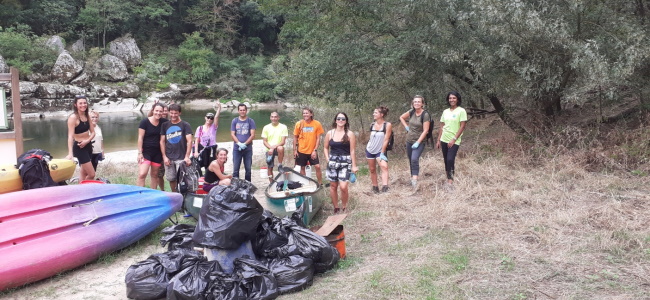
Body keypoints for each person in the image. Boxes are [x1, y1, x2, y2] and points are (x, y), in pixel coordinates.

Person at [324, 112, 358, 213]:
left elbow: (352, 151)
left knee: (343, 187)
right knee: (333, 186)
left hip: (345, 162)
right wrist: (328, 159)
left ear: (346, 121)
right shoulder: (330, 133)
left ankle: (344, 206)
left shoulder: (350, 134)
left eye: (343, 119)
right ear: (335, 120)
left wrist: (354, 166)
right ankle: (336, 207)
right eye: (339, 118)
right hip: (333, 162)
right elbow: (325, 148)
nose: (340, 120)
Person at [399, 95, 432, 187]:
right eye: (415, 102)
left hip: (419, 141)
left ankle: (414, 180)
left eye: (418, 102)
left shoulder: (425, 115)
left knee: (414, 158)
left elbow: (426, 130)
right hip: (409, 140)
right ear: (412, 103)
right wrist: (406, 126)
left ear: (422, 104)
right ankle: (412, 177)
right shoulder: (412, 111)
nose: (416, 103)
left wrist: (418, 142)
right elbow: (401, 117)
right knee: (411, 160)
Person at [436, 91, 467, 185]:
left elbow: (462, 126)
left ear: (457, 99)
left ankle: (450, 180)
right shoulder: (445, 111)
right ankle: (448, 175)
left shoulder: (461, 111)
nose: (452, 100)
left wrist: (454, 139)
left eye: (454, 98)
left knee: (450, 159)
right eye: (450, 98)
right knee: (446, 159)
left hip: (454, 140)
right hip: (444, 139)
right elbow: (442, 126)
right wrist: (438, 140)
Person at [160, 103, 193, 192]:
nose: (173, 115)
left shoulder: (185, 125)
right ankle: (174, 194)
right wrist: (164, 157)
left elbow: (190, 141)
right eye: (171, 113)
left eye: (175, 113)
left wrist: (187, 156)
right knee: (171, 178)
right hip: (169, 157)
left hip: (181, 157)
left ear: (179, 113)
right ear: (169, 113)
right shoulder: (165, 125)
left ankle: (183, 195)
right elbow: (162, 141)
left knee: (182, 179)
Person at [137, 102, 168, 188]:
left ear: (163, 112)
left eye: (160, 111)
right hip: (146, 152)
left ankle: (152, 194)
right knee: (142, 174)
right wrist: (139, 153)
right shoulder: (144, 122)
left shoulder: (164, 122)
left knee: (154, 175)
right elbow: (140, 138)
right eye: (156, 111)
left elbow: (175, 121)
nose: (158, 113)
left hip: (157, 153)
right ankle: (139, 194)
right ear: (152, 110)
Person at [65, 95, 96, 181]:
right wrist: (70, 153)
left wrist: (87, 141)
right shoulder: (73, 118)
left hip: (88, 146)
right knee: (91, 174)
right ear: (75, 105)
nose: (83, 105)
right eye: (80, 103)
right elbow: (70, 136)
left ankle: (81, 190)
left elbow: (93, 132)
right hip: (79, 148)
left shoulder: (87, 116)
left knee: (84, 173)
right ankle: (85, 189)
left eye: (85, 103)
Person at [293, 107, 324, 185]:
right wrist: (295, 150)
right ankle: (305, 184)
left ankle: (320, 184)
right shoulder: (299, 124)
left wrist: (315, 150)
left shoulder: (317, 124)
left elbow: (318, 138)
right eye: (304, 113)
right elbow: (295, 137)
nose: (305, 114)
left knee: (317, 166)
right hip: (301, 150)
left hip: (312, 151)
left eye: (307, 113)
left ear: (311, 114)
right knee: (302, 167)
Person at [366, 106, 392, 193]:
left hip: (380, 151)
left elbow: (386, 139)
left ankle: (385, 187)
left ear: (381, 114)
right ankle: (375, 187)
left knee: (384, 167)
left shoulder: (387, 125)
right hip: (370, 150)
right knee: (372, 169)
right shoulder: (372, 125)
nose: (374, 114)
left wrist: (382, 152)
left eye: (376, 113)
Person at [230, 103, 256, 182]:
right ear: (238, 111)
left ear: (246, 110)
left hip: (248, 149)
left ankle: (247, 186)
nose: (242, 111)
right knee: (235, 169)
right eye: (240, 110)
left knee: (248, 169)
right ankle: (236, 186)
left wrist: (245, 144)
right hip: (236, 149)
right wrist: (238, 143)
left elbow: (252, 135)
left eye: (244, 110)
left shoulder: (250, 121)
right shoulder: (235, 121)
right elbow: (232, 134)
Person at [261, 111, 288, 182]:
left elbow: (283, 142)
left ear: (278, 118)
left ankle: (279, 165)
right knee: (270, 167)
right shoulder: (266, 127)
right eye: (272, 117)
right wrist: (270, 148)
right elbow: (264, 141)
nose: (274, 118)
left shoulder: (283, 127)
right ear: (270, 118)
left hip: (278, 147)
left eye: (275, 117)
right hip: (269, 149)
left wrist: (273, 148)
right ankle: (271, 183)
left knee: (280, 148)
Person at [156, 104, 169, 190]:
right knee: (159, 174)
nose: (163, 113)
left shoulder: (170, 122)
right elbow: (149, 116)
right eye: (162, 111)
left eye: (165, 111)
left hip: (170, 152)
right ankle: (162, 190)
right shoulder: (156, 121)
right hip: (158, 152)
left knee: (173, 175)